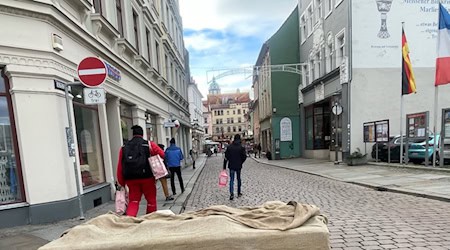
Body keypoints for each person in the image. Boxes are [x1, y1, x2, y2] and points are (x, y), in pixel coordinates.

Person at [117, 125, 165, 217]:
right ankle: (150, 221)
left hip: (131, 179)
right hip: (147, 178)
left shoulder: (124, 147)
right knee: (151, 201)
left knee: (134, 201)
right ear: (142, 134)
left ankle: (130, 222)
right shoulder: (149, 144)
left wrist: (122, 182)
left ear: (133, 134)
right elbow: (162, 154)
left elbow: (120, 166)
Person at [223, 134, 247, 200]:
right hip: (238, 166)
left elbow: (226, 157)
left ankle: (231, 194)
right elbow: (244, 157)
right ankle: (239, 192)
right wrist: (241, 162)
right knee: (238, 179)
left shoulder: (229, 147)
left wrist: (224, 167)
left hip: (231, 165)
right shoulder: (241, 147)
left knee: (231, 180)